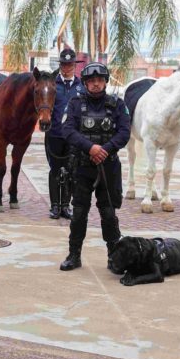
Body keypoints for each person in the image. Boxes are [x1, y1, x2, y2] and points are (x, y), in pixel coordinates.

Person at [59, 62, 131, 272]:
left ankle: (114, 257)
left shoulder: (117, 104)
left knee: (108, 214)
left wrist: (105, 149)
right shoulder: (74, 103)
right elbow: (67, 129)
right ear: (86, 83)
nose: (96, 84)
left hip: (108, 167)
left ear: (105, 82)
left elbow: (125, 132)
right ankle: (74, 255)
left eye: (100, 80)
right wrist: (90, 148)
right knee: (79, 213)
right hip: (82, 167)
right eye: (92, 81)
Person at [46, 48, 84, 219]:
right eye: (64, 65)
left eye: (70, 65)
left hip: (73, 136)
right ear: (60, 65)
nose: (67, 68)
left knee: (70, 170)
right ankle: (54, 206)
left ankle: (65, 206)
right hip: (54, 133)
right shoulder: (52, 84)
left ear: (74, 66)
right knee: (54, 170)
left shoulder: (81, 86)